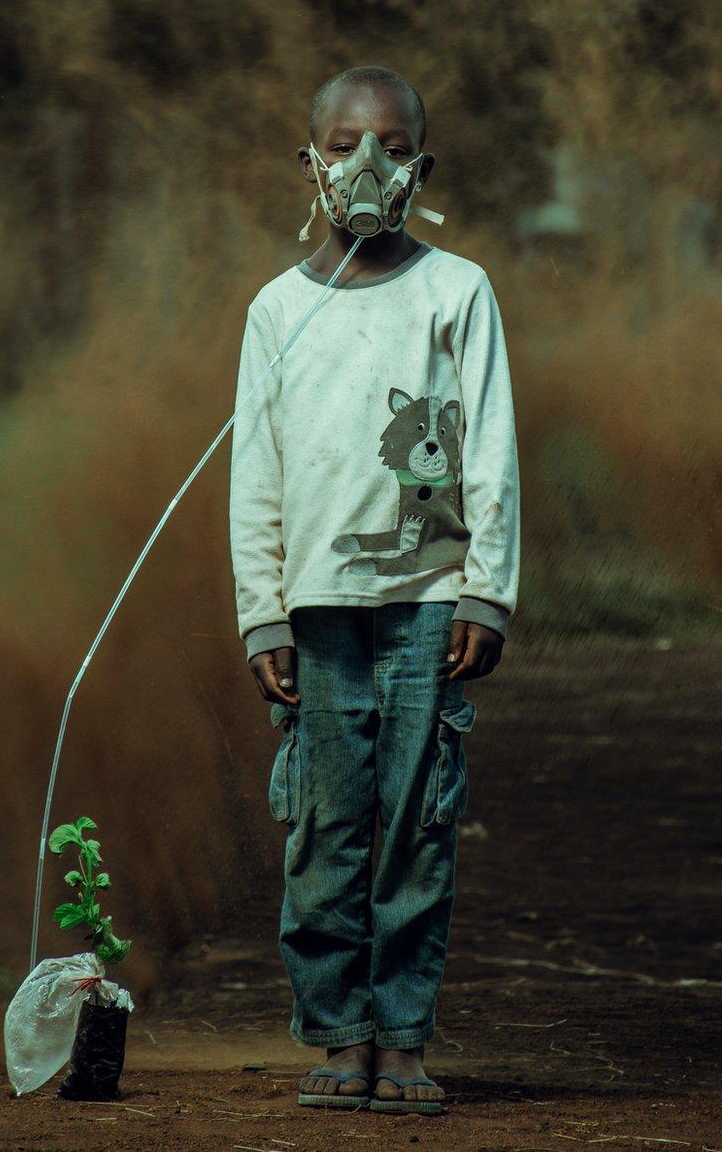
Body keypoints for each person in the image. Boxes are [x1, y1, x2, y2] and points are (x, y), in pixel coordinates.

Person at [228, 65, 520, 1116]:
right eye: (345, 145)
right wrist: (262, 606)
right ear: (309, 165)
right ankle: (338, 1032)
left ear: (420, 169)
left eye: (392, 149)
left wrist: (484, 592)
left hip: (425, 605)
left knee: (414, 826)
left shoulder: (457, 292)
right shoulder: (275, 312)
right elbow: (253, 472)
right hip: (315, 617)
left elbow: (486, 446)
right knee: (324, 826)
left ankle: (402, 1036)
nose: (367, 167)